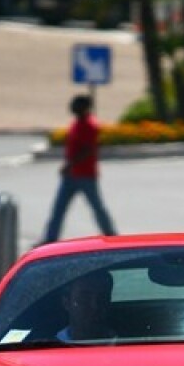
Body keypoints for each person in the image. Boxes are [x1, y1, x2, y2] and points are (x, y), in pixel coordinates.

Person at [42, 94, 116, 242]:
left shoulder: (90, 125)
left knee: (97, 207)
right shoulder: (77, 123)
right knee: (59, 208)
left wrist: (70, 164)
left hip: (85, 174)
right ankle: (50, 239)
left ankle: (111, 236)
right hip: (71, 175)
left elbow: (88, 149)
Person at [56, 270, 116, 342]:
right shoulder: (49, 347)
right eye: (84, 298)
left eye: (102, 297)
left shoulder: (126, 343)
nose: (95, 306)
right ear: (66, 303)